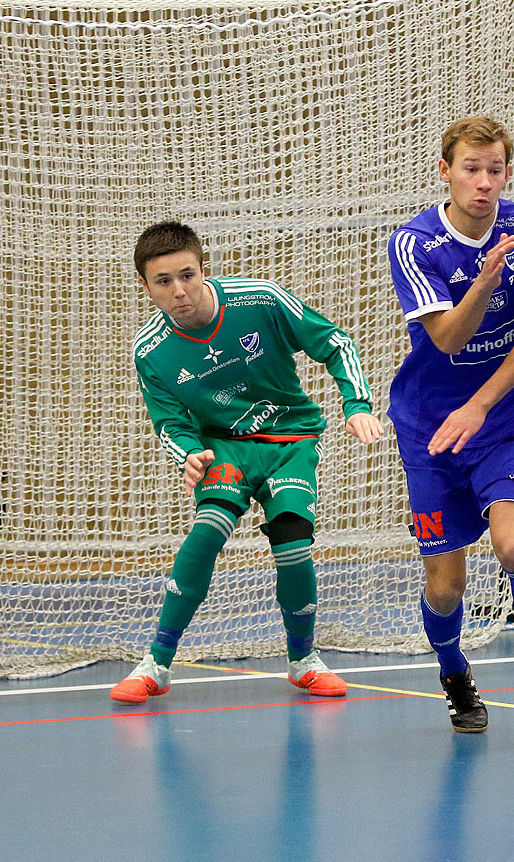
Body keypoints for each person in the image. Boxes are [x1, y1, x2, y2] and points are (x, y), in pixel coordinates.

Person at [111, 221, 382, 705]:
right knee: (208, 528)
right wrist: (188, 455)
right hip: (224, 447)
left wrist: (356, 404)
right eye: (164, 282)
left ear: (203, 269)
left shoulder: (259, 299)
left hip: (289, 437)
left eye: (187, 275)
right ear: (145, 287)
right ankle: (157, 662)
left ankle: (303, 660)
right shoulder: (150, 351)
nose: (179, 291)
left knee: (292, 536)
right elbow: (170, 422)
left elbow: (335, 342)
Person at [385, 116, 514, 733]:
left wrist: (484, 406)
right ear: (446, 172)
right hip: (432, 428)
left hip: (505, 419)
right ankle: (453, 672)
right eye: (472, 169)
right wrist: (485, 283)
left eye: (496, 170)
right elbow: (446, 337)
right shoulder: (414, 243)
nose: (484, 182)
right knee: (445, 584)